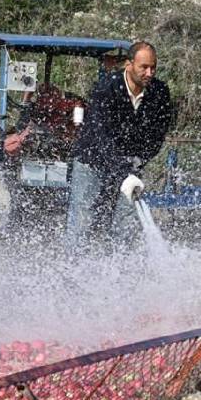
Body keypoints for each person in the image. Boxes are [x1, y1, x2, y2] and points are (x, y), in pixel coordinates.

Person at [65, 41, 174, 250]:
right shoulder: (106, 88)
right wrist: (122, 168)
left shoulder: (160, 92)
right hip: (92, 159)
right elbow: (101, 135)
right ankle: (72, 270)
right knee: (83, 218)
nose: (149, 73)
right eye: (144, 67)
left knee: (126, 221)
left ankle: (120, 274)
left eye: (153, 67)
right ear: (129, 65)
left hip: (130, 164)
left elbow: (157, 134)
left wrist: (138, 161)